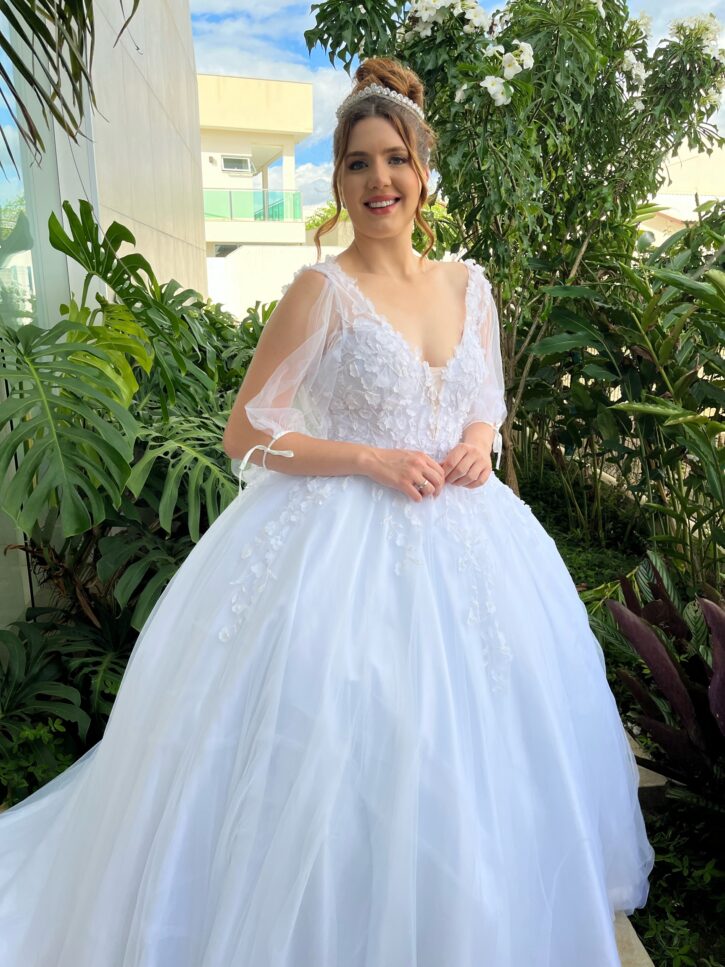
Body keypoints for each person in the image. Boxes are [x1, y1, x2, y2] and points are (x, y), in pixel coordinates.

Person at [0, 56, 654, 967]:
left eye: (395, 159)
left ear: (422, 171)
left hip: (476, 542)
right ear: (339, 183)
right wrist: (367, 458)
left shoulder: (469, 286)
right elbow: (245, 431)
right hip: (340, 544)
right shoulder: (320, 291)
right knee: (340, 742)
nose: (379, 180)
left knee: (487, 742)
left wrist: (477, 440)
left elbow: (485, 401)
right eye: (357, 163)